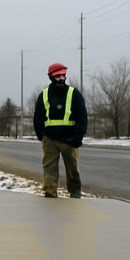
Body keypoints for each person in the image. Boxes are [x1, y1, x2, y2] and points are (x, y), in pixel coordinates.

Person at [33, 63, 88, 198]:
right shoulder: (44, 94)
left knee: (72, 168)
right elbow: (38, 116)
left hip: (70, 139)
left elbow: (82, 116)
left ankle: (75, 191)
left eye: (63, 75)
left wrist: (78, 137)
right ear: (51, 77)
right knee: (49, 167)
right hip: (50, 139)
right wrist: (41, 135)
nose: (61, 78)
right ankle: (50, 191)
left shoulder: (73, 93)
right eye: (58, 76)